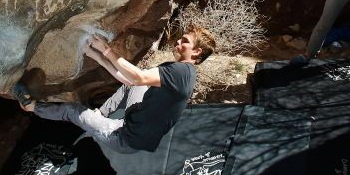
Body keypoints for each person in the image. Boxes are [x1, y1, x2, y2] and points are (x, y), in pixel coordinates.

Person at [14, 26, 216, 154]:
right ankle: (99, 115)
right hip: (134, 128)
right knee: (133, 84)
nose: (179, 41)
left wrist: (106, 50)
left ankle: (31, 107)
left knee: (72, 111)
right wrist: (95, 55)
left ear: (197, 52)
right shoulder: (183, 72)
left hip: (124, 139)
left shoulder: (181, 72)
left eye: (185, 41)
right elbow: (131, 80)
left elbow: (139, 77)